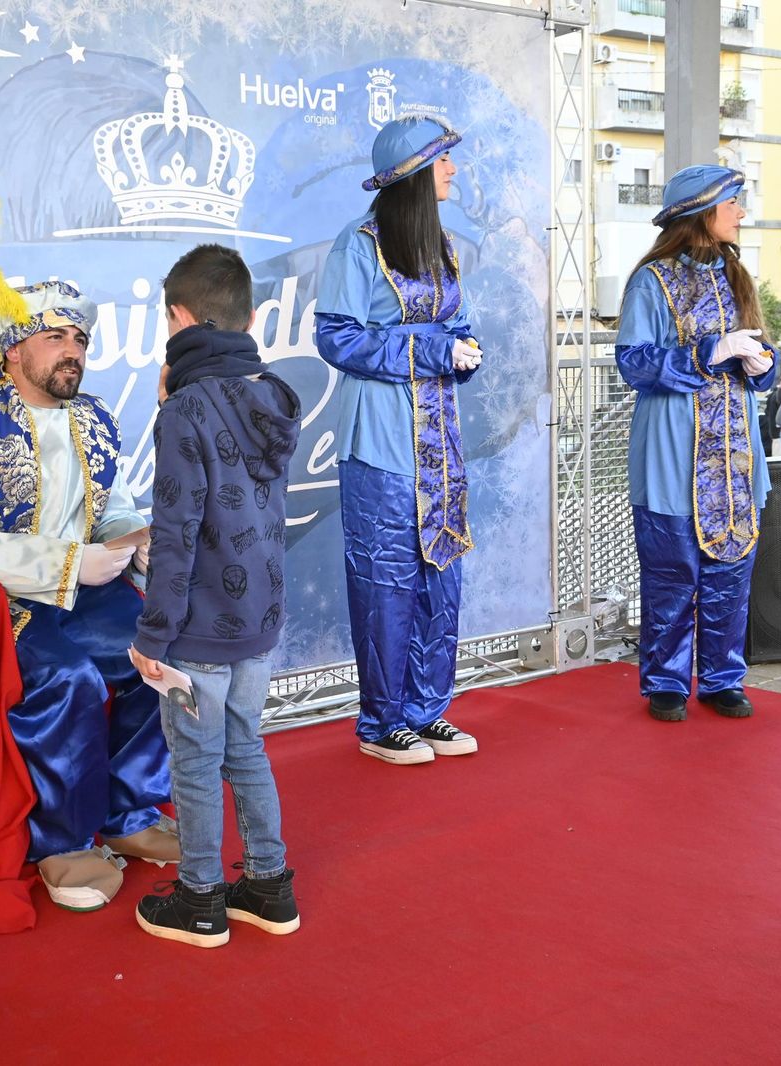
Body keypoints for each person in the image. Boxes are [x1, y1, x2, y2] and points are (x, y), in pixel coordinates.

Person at [0, 280, 177, 912]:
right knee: (71, 680)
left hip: (82, 588)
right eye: (54, 337)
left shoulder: (92, 417)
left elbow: (109, 508)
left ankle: (128, 807)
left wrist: (134, 539)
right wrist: (70, 562)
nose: (73, 352)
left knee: (169, 650)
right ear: (12, 349)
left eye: (80, 339)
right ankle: (61, 840)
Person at [129, 244, 302, 948]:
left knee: (196, 761)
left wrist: (150, 636)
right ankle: (269, 884)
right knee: (245, 747)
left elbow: (175, 537)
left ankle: (200, 897)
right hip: (259, 618)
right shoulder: (273, 395)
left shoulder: (186, 410)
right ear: (251, 317)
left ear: (177, 317)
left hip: (197, 627)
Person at [315, 114, 482, 765]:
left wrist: (465, 350)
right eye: (444, 160)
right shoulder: (358, 246)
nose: (453, 170)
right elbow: (337, 336)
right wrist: (431, 349)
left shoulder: (443, 247)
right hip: (380, 439)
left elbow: (458, 326)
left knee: (441, 570)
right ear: (416, 171)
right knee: (386, 577)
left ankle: (426, 709)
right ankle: (382, 723)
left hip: (441, 439)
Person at [614, 165, 778, 722]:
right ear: (704, 209)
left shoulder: (738, 278)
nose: (742, 212)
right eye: (734, 202)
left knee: (732, 570)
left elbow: (756, 353)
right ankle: (665, 679)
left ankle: (722, 677)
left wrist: (762, 364)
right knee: (672, 568)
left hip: (735, 451)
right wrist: (708, 352)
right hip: (673, 451)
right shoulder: (651, 281)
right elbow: (632, 363)